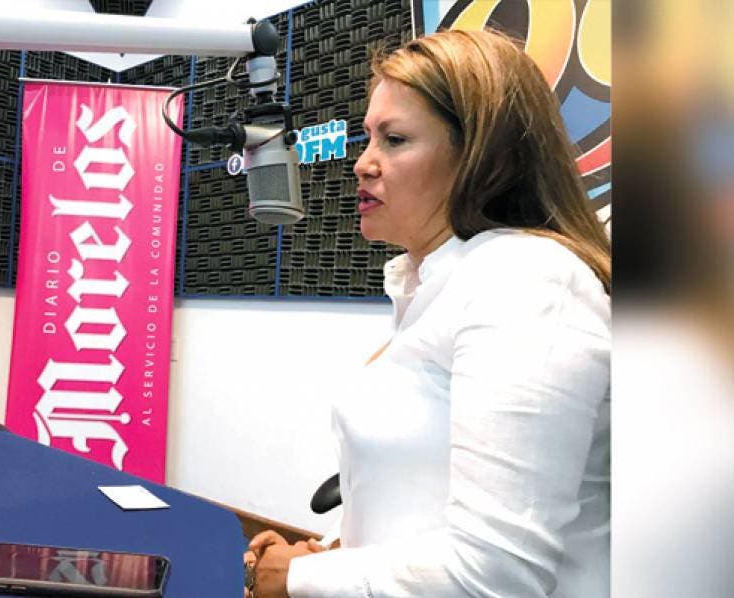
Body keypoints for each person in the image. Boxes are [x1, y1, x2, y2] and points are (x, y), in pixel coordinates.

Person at [244, 29, 611, 598]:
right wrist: (334, 548)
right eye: (368, 137)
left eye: (394, 140)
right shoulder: (434, 281)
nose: (363, 164)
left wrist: (296, 578)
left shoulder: (527, 282)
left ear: (483, 157)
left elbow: (496, 576)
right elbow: (422, 492)